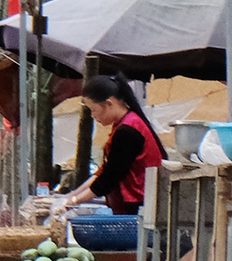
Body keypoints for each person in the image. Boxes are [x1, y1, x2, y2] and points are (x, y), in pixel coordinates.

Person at [52, 72, 165, 217]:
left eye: (94, 110)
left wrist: (73, 201)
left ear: (109, 104)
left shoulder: (128, 131)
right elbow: (104, 172)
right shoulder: (124, 124)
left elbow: (108, 180)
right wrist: (72, 195)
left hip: (138, 208)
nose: (93, 116)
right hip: (131, 206)